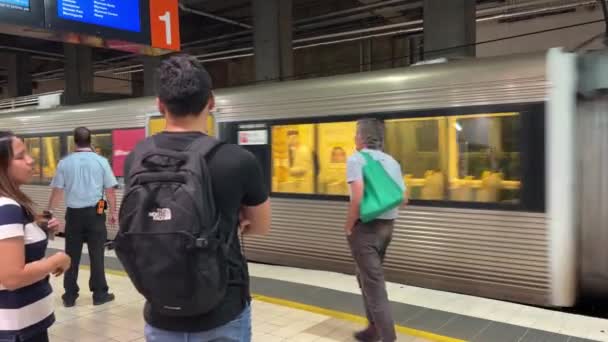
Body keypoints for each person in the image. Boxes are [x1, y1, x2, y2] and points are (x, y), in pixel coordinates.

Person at [122, 54, 271, 341]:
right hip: (223, 308)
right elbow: (261, 226)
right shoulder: (238, 160)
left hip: (160, 305)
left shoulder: (136, 158)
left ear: (160, 104)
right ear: (211, 102)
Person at [0, 131, 71, 342]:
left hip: (17, 325)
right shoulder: (7, 208)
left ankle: (72, 293)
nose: (31, 160)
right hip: (18, 328)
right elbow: (12, 277)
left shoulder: (9, 207)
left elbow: (57, 192)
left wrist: (35, 225)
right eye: (21, 156)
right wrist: (56, 261)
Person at [344, 118, 407, 342]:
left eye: (356, 134)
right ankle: (373, 328)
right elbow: (403, 198)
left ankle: (388, 337)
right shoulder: (392, 162)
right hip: (387, 227)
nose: (354, 138)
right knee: (365, 277)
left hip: (366, 228)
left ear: (361, 137)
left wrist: (349, 225)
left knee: (373, 284)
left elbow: (358, 197)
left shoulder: (356, 160)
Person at [47, 127, 118, 307]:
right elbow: (109, 190)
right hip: (97, 211)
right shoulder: (101, 161)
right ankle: (99, 294)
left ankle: (70, 296)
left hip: (74, 214)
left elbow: (57, 191)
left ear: (74, 141)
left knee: (71, 255)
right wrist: (112, 213)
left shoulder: (65, 163)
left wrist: (49, 212)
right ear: (91, 141)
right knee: (97, 254)